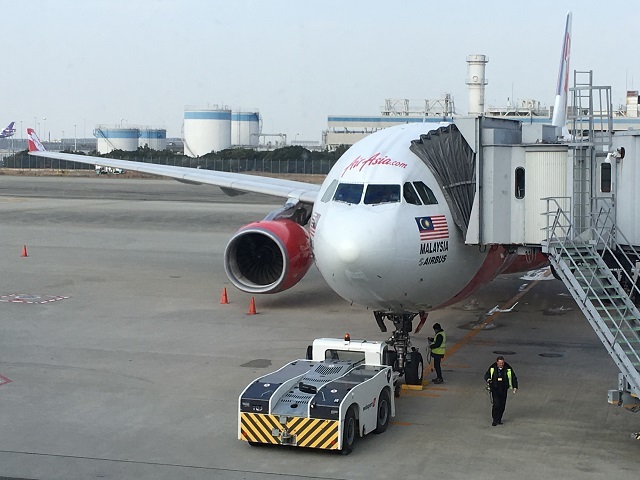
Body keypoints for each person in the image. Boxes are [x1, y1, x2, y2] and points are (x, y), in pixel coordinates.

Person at [484, 356, 518, 426]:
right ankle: (495, 419)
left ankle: (499, 419)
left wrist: (515, 386)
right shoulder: (492, 368)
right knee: (496, 404)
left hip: (503, 389)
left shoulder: (508, 368)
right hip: (495, 389)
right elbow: (487, 375)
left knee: (502, 405)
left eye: (502, 363)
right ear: (497, 363)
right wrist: (488, 380)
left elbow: (513, 377)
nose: (501, 364)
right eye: (500, 363)